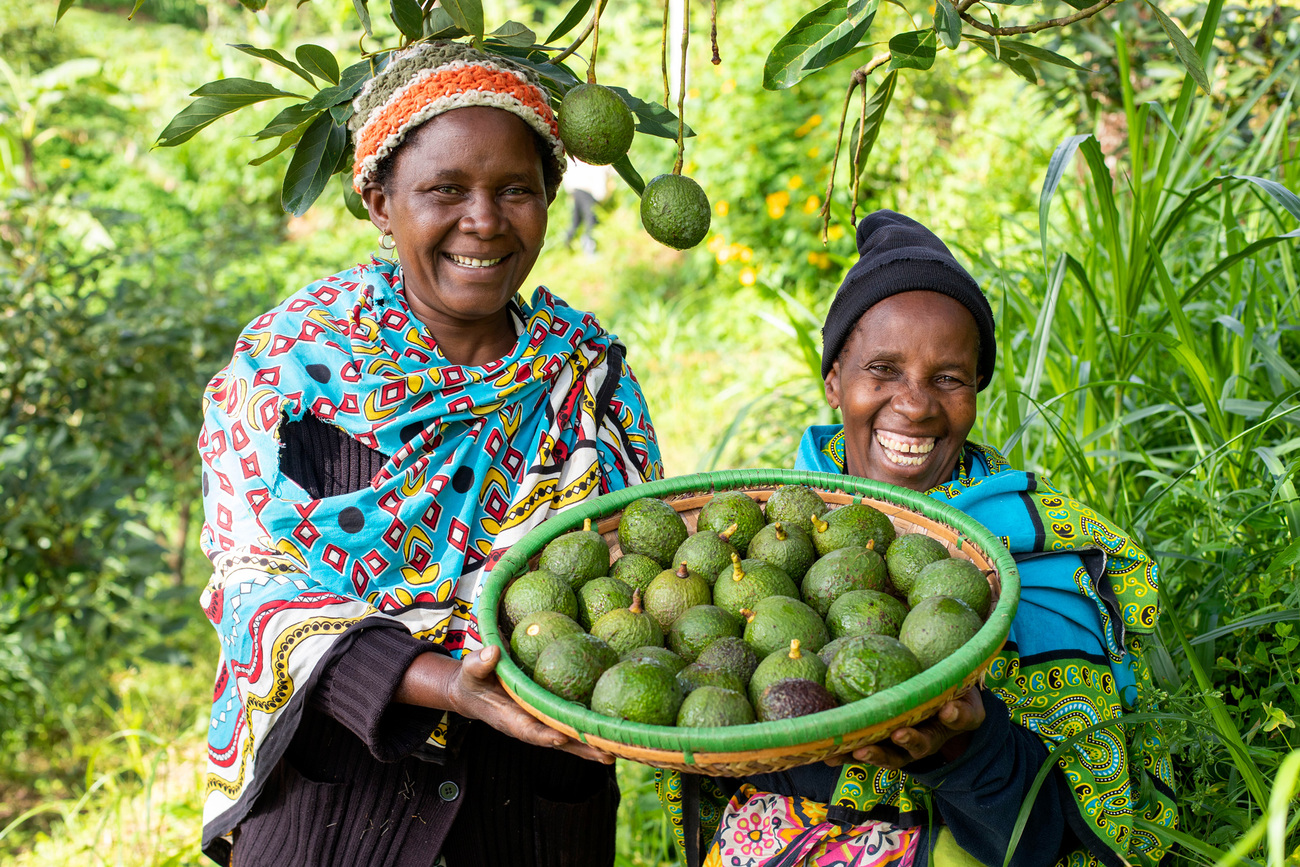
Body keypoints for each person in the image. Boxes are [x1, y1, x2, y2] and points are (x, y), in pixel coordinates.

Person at [196, 41, 662, 867]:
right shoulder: (294, 369)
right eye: (445, 190)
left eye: (515, 189)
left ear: (551, 197)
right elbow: (254, 585)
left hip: (530, 818)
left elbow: (642, 571)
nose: (483, 220)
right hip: (339, 814)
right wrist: (450, 686)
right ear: (380, 203)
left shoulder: (587, 377)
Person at [656, 211, 1177, 867]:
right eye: (883, 368)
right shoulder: (760, 533)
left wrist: (962, 747)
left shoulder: (1036, 556)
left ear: (977, 393)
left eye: (949, 377)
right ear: (833, 381)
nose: (917, 403)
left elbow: (1056, 835)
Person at [561, 157, 614, 256]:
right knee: (590, 219)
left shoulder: (578, 154)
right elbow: (600, 175)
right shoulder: (596, 159)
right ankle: (589, 249)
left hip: (576, 189)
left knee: (576, 220)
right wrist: (601, 196)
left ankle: (567, 243)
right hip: (586, 190)